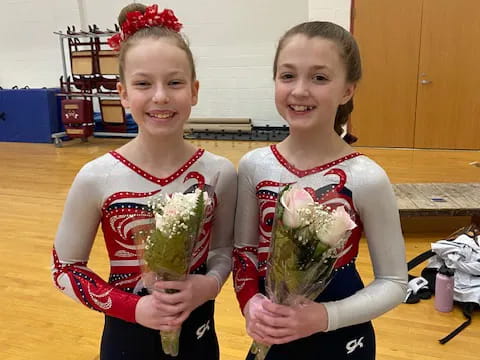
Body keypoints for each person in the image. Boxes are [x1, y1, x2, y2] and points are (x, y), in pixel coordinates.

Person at [51, 3, 236, 359]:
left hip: (198, 335)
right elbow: (65, 268)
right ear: (122, 93)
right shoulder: (97, 177)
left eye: (175, 82)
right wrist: (133, 308)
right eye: (143, 84)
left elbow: (222, 252)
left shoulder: (220, 172)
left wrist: (208, 286)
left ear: (194, 91)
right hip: (126, 339)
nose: (161, 96)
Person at [233, 21, 407, 359]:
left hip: (341, 339)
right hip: (273, 333)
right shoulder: (254, 166)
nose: (299, 90)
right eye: (287, 76)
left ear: (347, 90)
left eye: (319, 78)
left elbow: (394, 282)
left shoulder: (366, 177)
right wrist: (250, 303)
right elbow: (244, 254)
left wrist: (326, 317)